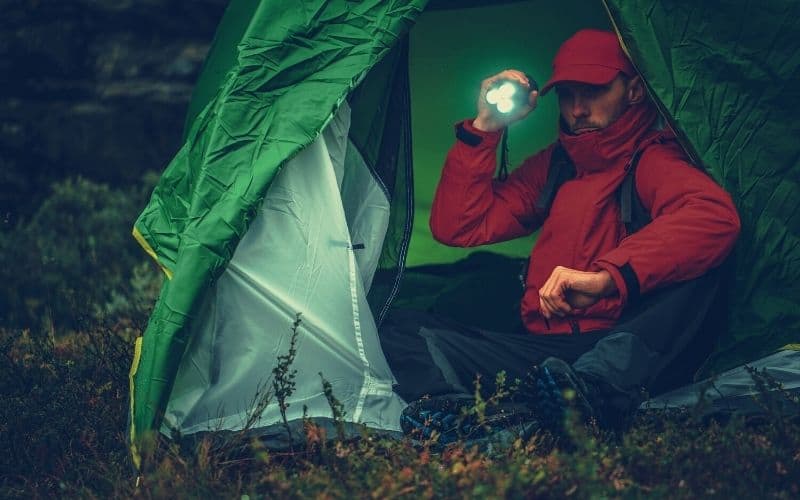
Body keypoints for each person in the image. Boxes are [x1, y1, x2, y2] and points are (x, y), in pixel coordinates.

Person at [381, 29, 741, 438]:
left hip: (615, 348)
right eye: (567, 94)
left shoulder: (652, 159)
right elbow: (459, 225)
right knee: (398, 328)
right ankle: (475, 423)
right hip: (544, 357)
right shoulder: (560, 164)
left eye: (593, 91)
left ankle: (591, 395)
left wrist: (606, 278)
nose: (577, 109)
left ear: (636, 91)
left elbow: (714, 216)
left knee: (704, 265)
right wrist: (485, 129)